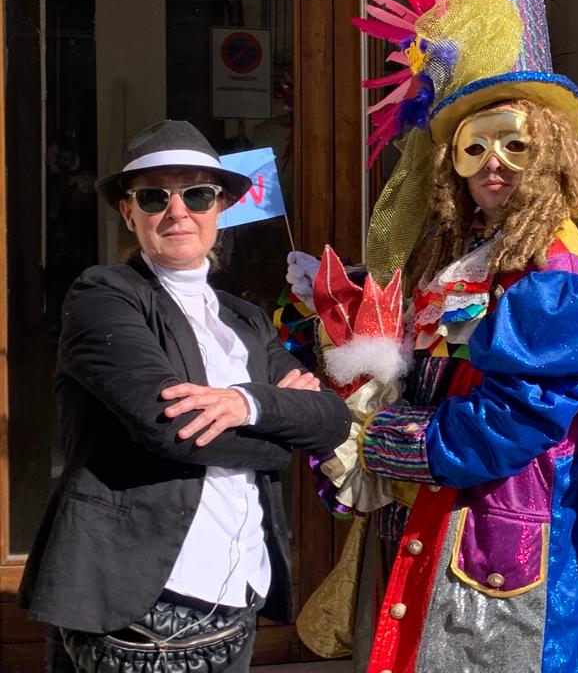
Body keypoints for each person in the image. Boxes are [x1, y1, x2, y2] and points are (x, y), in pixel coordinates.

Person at [288, 0, 578, 672]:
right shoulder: (453, 252)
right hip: (438, 519)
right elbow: (427, 364)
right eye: (475, 146)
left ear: (548, 152)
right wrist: (340, 343)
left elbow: (520, 415)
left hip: (504, 535)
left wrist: (395, 445)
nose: (495, 164)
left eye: (516, 144)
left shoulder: (556, 269)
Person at [18, 120, 352, 672]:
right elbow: (172, 428)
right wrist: (276, 440)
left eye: (196, 194)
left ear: (219, 209)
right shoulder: (105, 296)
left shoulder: (244, 318)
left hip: (238, 590)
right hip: (140, 599)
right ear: (129, 213)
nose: (178, 212)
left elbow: (330, 419)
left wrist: (246, 404)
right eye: (154, 196)